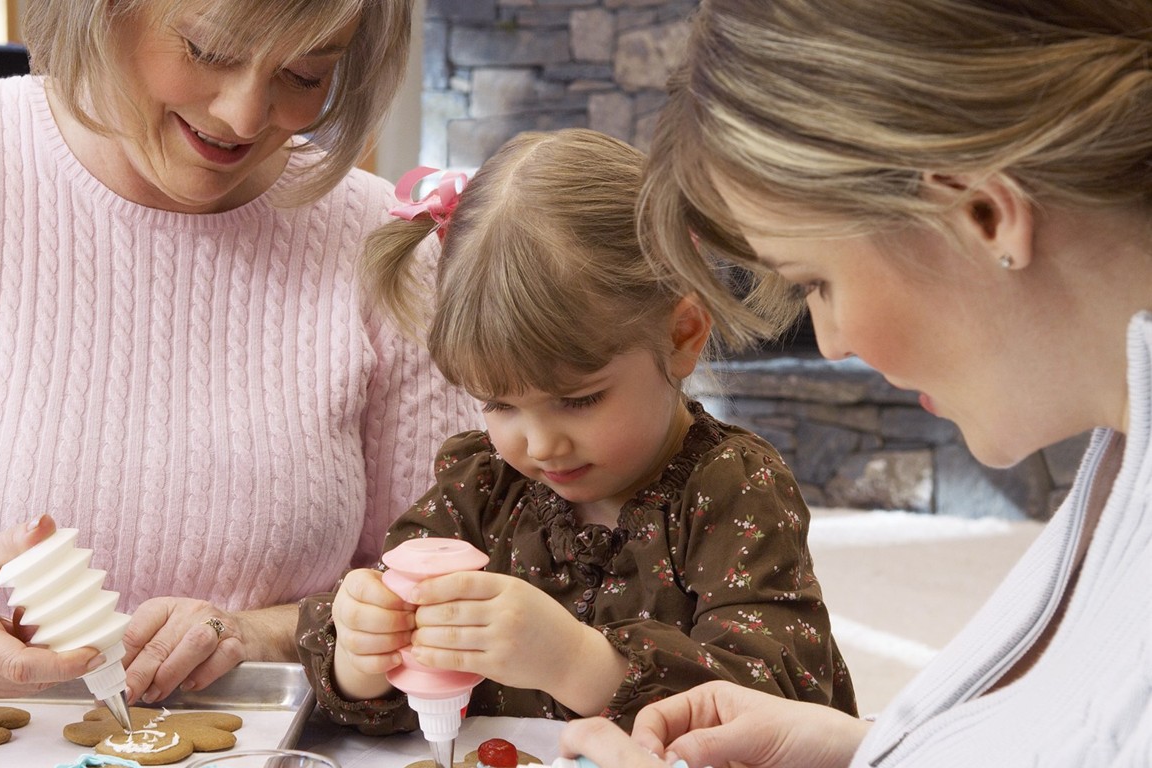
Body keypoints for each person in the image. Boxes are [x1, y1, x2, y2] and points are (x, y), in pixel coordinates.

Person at [0, 0, 481, 706]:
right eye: (209, 53)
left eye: (304, 73)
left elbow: (434, 579)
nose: (244, 115)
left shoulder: (381, 245)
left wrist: (261, 635)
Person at [556, 1, 1152, 766]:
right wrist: (868, 750)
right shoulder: (1124, 445)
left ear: (981, 211)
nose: (832, 343)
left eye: (817, 284)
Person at [295, 128, 857, 735]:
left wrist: (576, 661)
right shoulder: (483, 487)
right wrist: (365, 653)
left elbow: (777, 701)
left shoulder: (733, 490)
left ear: (682, 335)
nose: (539, 446)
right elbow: (396, 702)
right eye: (498, 404)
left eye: (578, 399)